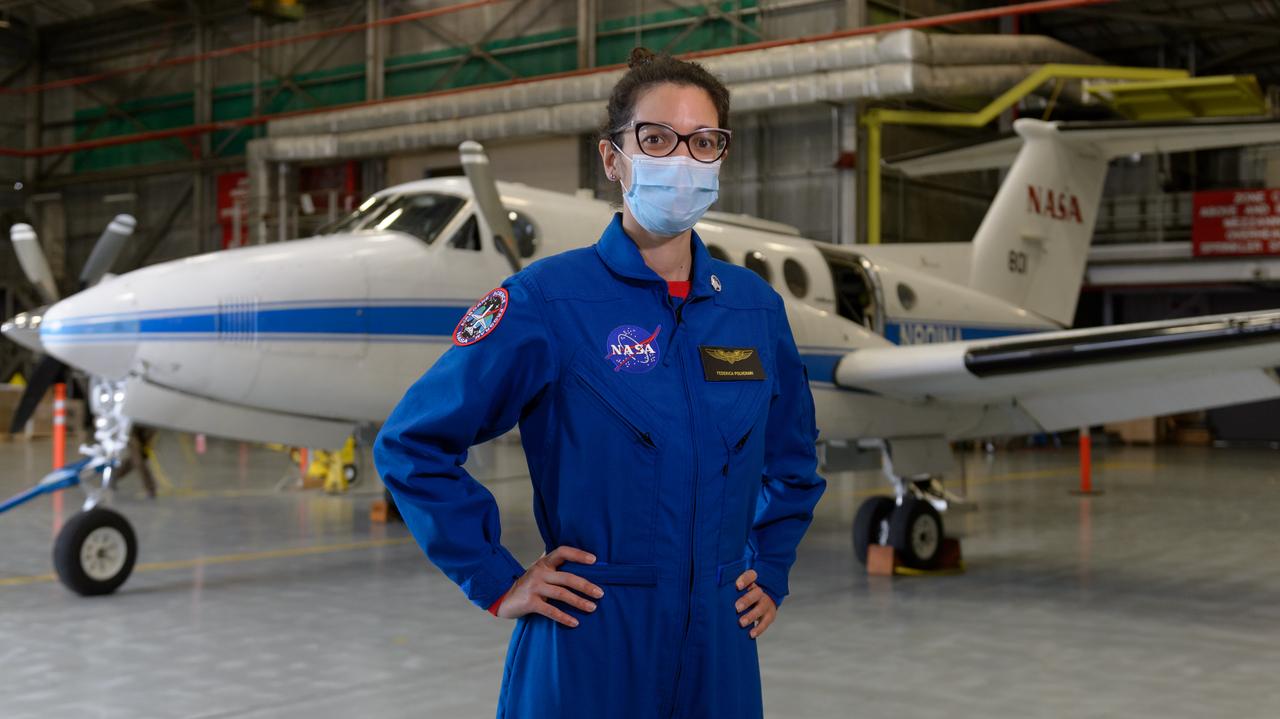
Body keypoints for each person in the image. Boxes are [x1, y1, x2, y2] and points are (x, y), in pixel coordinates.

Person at [374, 47, 825, 719]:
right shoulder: (548, 301)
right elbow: (413, 443)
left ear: (720, 159)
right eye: (656, 138)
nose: (681, 158)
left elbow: (793, 461)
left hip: (720, 647)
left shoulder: (753, 310)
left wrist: (773, 567)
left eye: (703, 141)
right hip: (591, 638)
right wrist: (498, 579)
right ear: (613, 159)